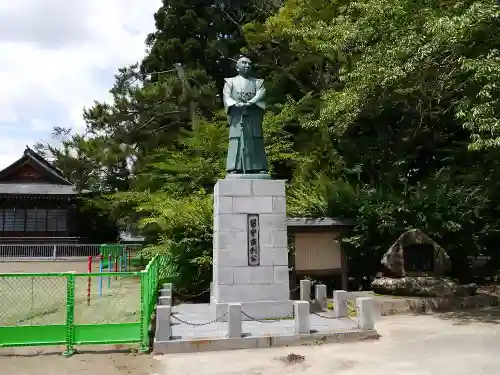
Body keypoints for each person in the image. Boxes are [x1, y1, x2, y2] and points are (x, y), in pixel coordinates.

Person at [222, 56, 268, 175]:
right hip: (237, 116)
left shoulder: (258, 82)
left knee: (256, 139)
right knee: (236, 140)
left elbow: (261, 94)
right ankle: (234, 167)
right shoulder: (230, 82)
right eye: (244, 63)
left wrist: (251, 102)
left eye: (249, 63)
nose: (247, 65)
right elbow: (227, 97)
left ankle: (259, 167)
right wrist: (236, 104)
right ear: (237, 67)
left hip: (253, 115)